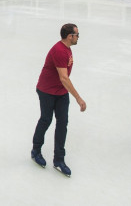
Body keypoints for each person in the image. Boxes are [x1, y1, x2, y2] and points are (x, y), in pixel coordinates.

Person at [31, 23, 86, 177]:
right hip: (47, 91)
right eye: (77, 35)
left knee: (62, 123)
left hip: (61, 92)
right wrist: (78, 98)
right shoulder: (59, 51)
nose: (78, 37)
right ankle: (36, 150)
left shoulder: (67, 49)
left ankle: (59, 160)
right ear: (70, 36)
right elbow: (64, 78)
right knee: (46, 119)